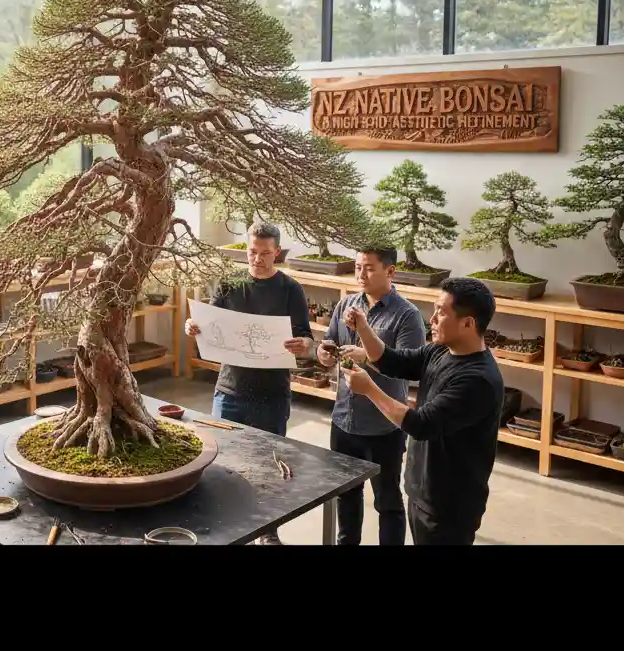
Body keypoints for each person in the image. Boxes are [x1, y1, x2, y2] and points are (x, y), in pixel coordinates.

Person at [338, 276, 504, 546]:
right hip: (422, 489)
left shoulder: (477, 380)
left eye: (441, 312)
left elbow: (421, 424)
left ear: (468, 323)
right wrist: (364, 328)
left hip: (450, 505)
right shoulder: (440, 351)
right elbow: (394, 362)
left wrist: (368, 389)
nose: (432, 319)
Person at [309, 246, 426, 546]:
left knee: (387, 501)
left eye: (369, 268)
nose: (361, 274)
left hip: (383, 425)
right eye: (358, 266)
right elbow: (329, 343)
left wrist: (369, 356)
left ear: (390, 271)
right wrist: (324, 353)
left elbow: (410, 369)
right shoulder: (346, 304)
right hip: (344, 420)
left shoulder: (407, 315)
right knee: (347, 496)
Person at [185, 221, 313, 438]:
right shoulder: (229, 283)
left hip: (272, 396)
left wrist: (303, 344)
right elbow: (209, 322)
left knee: (267, 460)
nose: (257, 259)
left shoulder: (290, 289)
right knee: (221, 454)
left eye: (265, 253)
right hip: (229, 390)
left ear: (277, 252)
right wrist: (193, 326)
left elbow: (306, 336)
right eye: (253, 252)